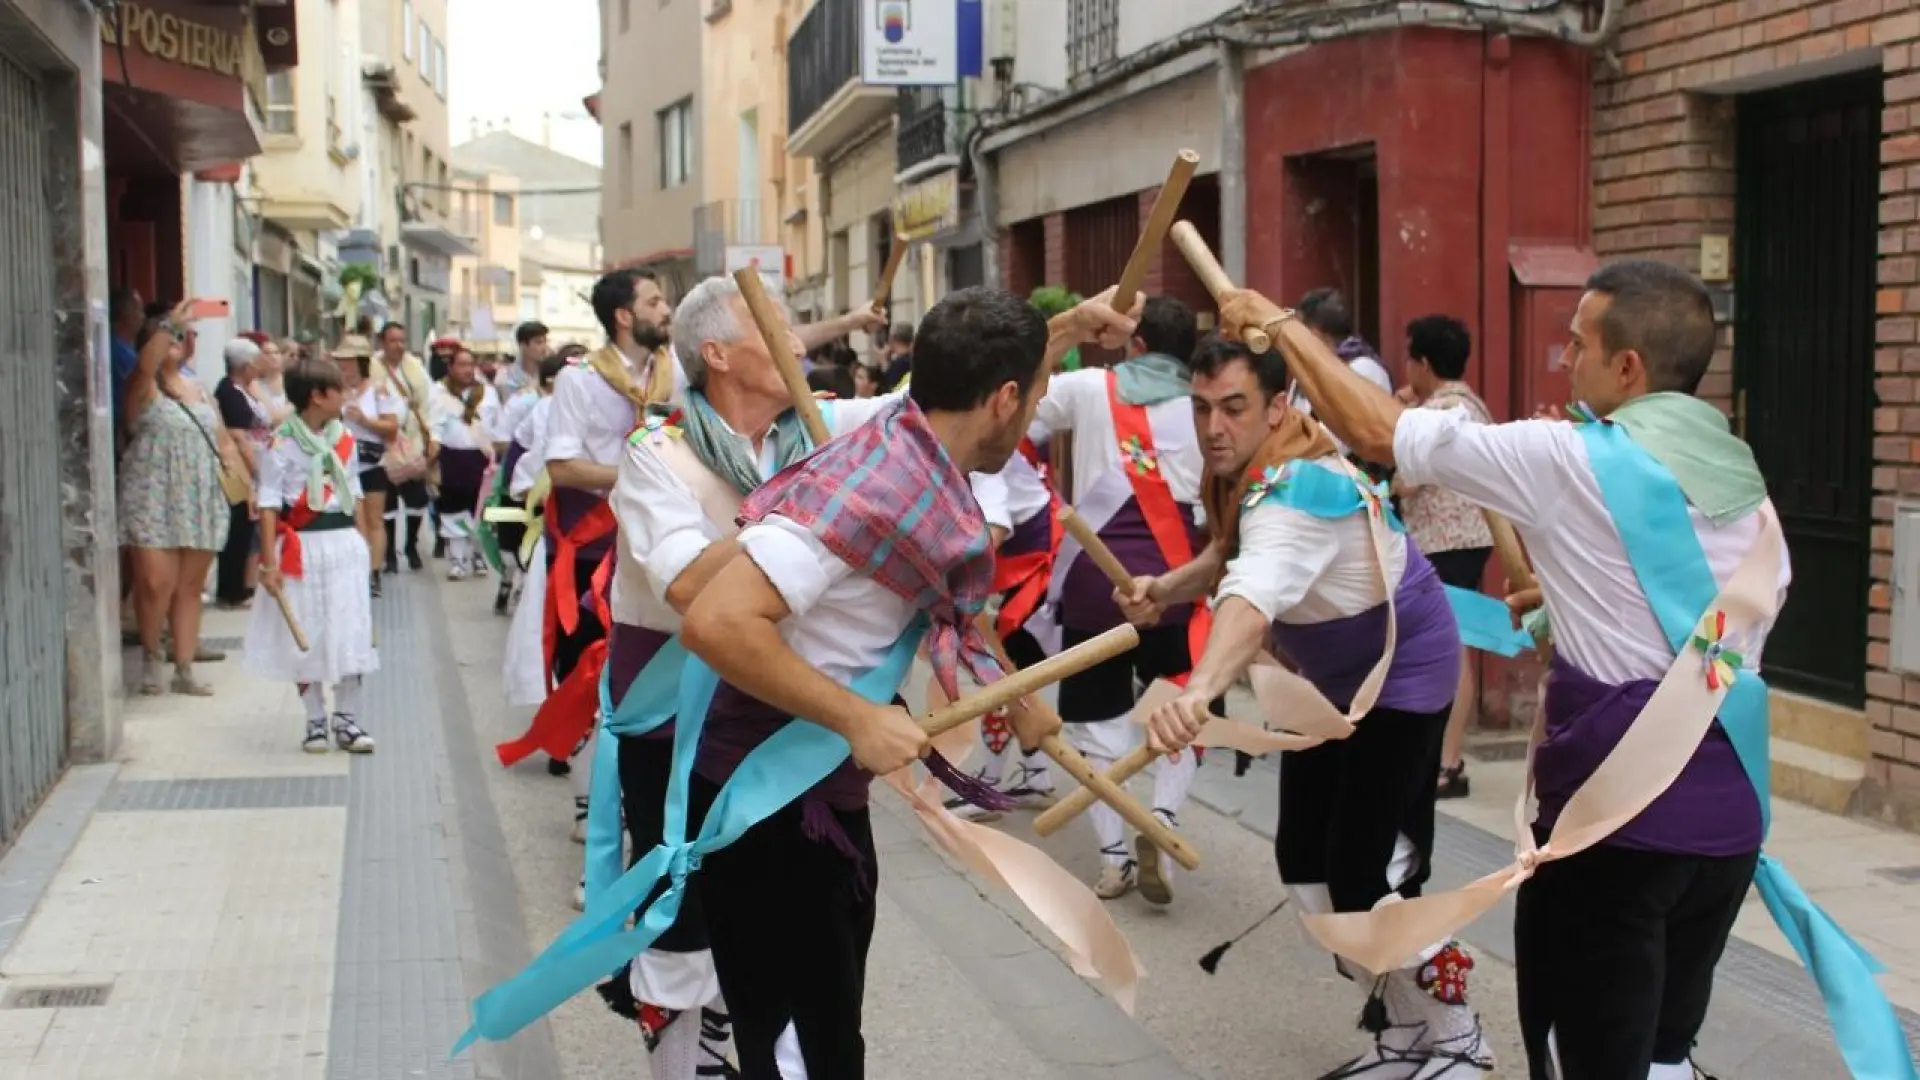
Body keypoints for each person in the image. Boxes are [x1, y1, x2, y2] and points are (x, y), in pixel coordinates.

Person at [1203, 262, 1919, 1080]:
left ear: (1628, 367)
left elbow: (1377, 432)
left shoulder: (1568, 457)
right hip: (1727, 829)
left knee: (1586, 1056)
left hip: (1615, 831)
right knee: (1663, 1053)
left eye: (1579, 344)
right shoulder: (1746, 488)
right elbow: (1711, 638)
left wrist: (1280, 325)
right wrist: (1568, 602)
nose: (1566, 359)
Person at [670, 285, 1131, 1077]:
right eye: (1034, 401)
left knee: (825, 1037)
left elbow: (941, 596)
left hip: (820, 802)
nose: (1032, 419)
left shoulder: (910, 443)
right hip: (773, 802)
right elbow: (714, 622)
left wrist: (1017, 695)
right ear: (1004, 399)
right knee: (800, 1054)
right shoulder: (872, 489)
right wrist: (857, 717)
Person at [589, 276, 926, 1079]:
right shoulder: (656, 454)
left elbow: (940, 406)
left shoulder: (821, 429)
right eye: (774, 323)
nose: (799, 340)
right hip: (675, 732)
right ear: (717, 353)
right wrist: (805, 512)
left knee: (791, 944)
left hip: (781, 726)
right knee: (683, 930)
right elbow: (688, 586)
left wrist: (1057, 337)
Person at [1132, 335, 1486, 1076]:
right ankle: (1404, 1032)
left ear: (1278, 406)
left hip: (1401, 675)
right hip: (1328, 681)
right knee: (1304, 865)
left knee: (1360, 875)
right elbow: (1228, 556)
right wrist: (1165, 590)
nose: (1214, 427)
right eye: (1202, 408)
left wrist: (1199, 690)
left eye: (1234, 407)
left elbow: (1251, 596)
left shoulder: (1296, 493)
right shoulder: (1257, 469)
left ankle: (1457, 1036)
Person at [1024, 294, 1209, 904]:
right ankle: (1164, 819)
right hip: (1178, 578)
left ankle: (1113, 859)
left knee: (1098, 721)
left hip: (1096, 577)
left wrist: (1070, 330)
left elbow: (1024, 407)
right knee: (1181, 706)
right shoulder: (1208, 405)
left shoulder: (1088, 387)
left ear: (1136, 344)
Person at [542, 267, 682, 909]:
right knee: (599, 696)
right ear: (625, 315)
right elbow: (562, 466)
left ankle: (643, 840)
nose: (666, 309)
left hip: (654, 553)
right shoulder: (580, 379)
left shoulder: (674, 372)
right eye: (655, 300)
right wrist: (637, 474)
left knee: (650, 704)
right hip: (593, 554)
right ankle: (601, 846)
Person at [244, 358, 378, 754]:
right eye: (339, 389)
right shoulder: (280, 443)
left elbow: (354, 493)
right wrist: (269, 564)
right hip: (302, 546)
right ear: (318, 396)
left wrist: (364, 545)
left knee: (350, 628)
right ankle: (315, 718)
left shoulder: (345, 439)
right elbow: (269, 503)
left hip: (343, 545)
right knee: (307, 630)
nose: (346, 395)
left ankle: (348, 719)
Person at [1393, 314, 1495, 800]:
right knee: (1458, 644)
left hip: (1441, 543)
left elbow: (1405, 481)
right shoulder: (1472, 404)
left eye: (1409, 358)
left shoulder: (1434, 413)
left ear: (1424, 363)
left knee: (1448, 649)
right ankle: (1446, 759)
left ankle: (1446, 763)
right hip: (1470, 539)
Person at [119, 301, 235, 695]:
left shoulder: (199, 389)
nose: (178, 342)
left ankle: (183, 668)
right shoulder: (143, 386)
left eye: (182, 337)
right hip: (153, 494)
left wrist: (245, 486)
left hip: (200, 495)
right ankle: (152, 658)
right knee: (155, 583)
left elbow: (223, 441)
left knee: (190, 586)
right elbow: (145, 367)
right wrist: (171, 323)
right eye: (169, 337)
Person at [334, 335, 402, 596]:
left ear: (360, 362)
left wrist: (364, 420)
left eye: (348, 361)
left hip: (370, 461)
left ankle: (374, 572)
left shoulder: (378, 389)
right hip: (342, 461)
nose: (343, 366)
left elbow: (392, 426)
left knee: (375, 519)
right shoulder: (334, 390)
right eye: (340, 361)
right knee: (354, 518)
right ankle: (357, 568)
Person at [429, 346, 501, 580]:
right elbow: (434, 425)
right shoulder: (439, 392)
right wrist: (432, 448)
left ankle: (478, 555)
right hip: (452, 458)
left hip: (481, 458)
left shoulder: (487, 393)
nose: (467, 370)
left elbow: (497, 425)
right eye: (461, 365)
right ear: (450, 367)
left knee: (479, 510)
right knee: (453, 510)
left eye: (471, 364)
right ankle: (458, 560)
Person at [370, 321, 433, 574]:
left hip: (412, 440)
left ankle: (411, 546)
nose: (398, 345)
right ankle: (389, 555)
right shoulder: (372, 367)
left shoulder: (415, 367)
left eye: (402, 340)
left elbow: (428, 403)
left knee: (417, 498)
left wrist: (430, 438)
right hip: (383, 441)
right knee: (387, 501)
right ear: (382, 342)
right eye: (393, 340)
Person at [213, 338, 271, 609]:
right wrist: (256, 470)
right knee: (238, 526)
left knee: (247, 527)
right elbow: (239, 437)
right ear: (245, 366)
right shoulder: (230, 393)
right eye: (256, 362)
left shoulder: (245, 390)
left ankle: (238, 586)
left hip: (253, 465)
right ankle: (231, 589)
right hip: (239, 470)